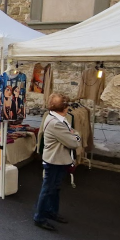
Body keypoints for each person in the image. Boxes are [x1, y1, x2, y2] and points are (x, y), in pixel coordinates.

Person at [33, 93, 81, 232]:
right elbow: (74, 142)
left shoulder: (54, 117)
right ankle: (39, 217)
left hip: (57, 159)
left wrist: (72, 133)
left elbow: (70, 134)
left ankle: (51, 212)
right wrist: (76, 135)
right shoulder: (56, 123)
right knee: (48, 189)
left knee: (54, 188)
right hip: (55, 160)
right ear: (65, 108)